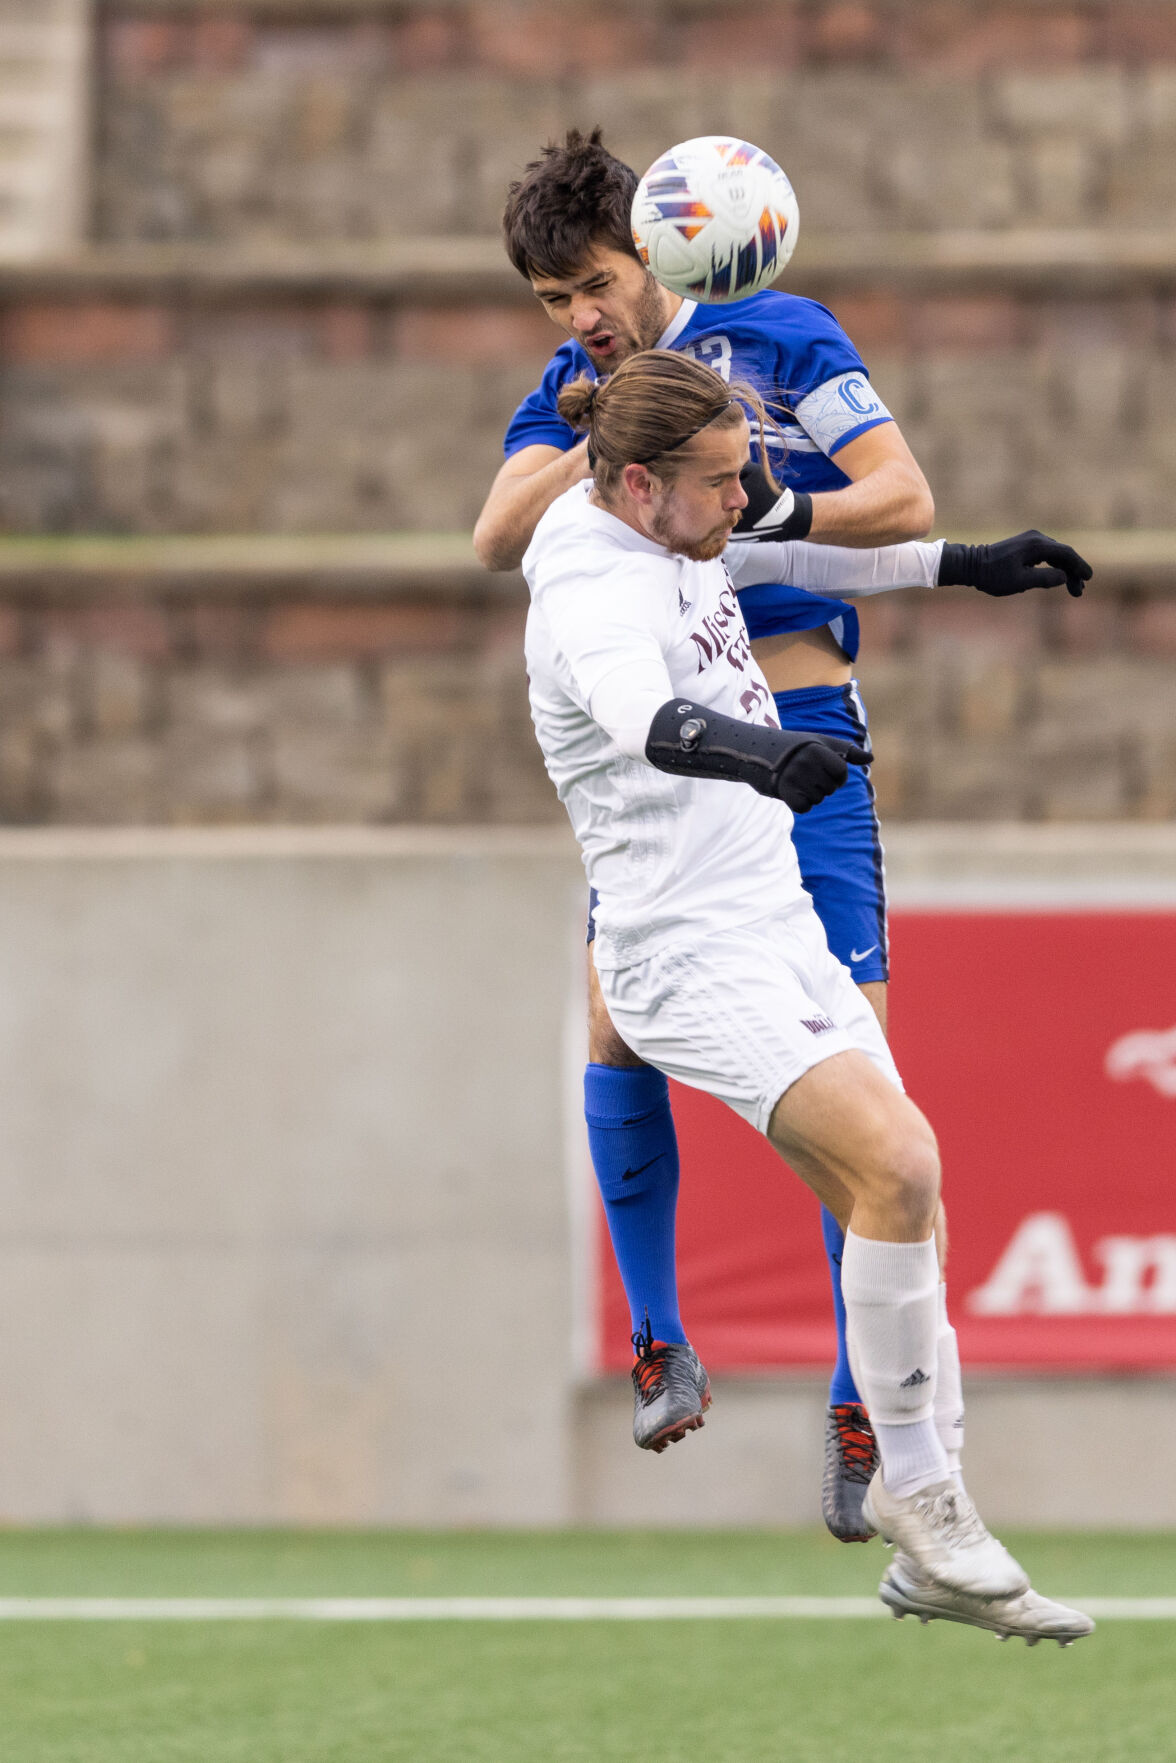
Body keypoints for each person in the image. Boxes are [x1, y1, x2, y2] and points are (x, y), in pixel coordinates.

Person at [523, 345, 1093, 1644]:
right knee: (898, 1163)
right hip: (679, 953)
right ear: (634, 485)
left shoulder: (682, 516)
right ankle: (923, 1507)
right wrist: (762, 748)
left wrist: (970, 564)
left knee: (913, 1205)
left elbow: (797, 554)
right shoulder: (585, 581)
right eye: (724, 483)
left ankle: (925, 1523)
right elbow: (643, 719)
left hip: (768, 918)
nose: (748, 499)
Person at [475, 126, 942, 1543]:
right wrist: (599, 427)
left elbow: (907, 504)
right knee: (617, 1021)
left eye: (595, 283)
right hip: (682, 771)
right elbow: (494, 535)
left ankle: (862, 1404)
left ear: (664, 246)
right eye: (554, 300)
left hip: (808, 749)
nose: (579, 317)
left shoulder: (783, 338)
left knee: (856, 1076)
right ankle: (664, 1338)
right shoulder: (589, 395)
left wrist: (757, 506)